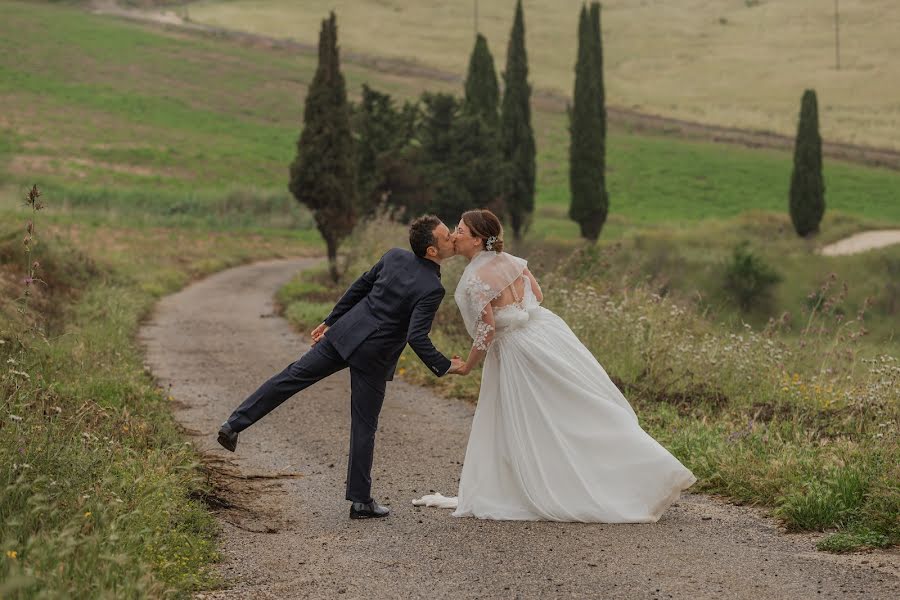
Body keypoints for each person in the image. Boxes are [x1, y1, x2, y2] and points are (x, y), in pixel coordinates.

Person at [414, 209, 696, 522]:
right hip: (545, 335)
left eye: (461, 230)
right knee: (573, 409)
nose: (455, 233)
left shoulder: (474, 279)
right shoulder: (514, 261)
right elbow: (537, 294)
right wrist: (519, 311)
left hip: (516, 352)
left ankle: (542, 483)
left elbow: (487, 330)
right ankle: (647, 468)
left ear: (478, 239)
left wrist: (466, 366)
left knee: (532, 418)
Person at [218, 215, 465, 519]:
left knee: (291, 376)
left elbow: (359, 286)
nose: (452, 237)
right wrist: (445, 366)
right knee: (364, 425)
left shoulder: (394, 256)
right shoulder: (432, 287)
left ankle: (233, 425)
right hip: (373, 356)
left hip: (345, 333)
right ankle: (360, 502)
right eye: (446, 236)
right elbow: (416, 336)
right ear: (432, 251)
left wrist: (332, 320)